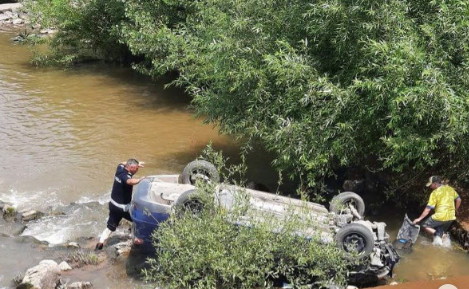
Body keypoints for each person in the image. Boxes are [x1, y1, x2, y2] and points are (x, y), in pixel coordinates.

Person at [95, 159, 145, 250]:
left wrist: (136, 164)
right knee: (138, 220)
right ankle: (136, 239)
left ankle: (100, 244)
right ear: (131, 168)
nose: (137, 169)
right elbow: (129, 181)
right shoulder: (125, 177)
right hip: (123, 208)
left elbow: (121, 163)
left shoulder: (120, 169)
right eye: (136, 168)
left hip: (113, 205)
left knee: (110, 227)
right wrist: (140, 180)